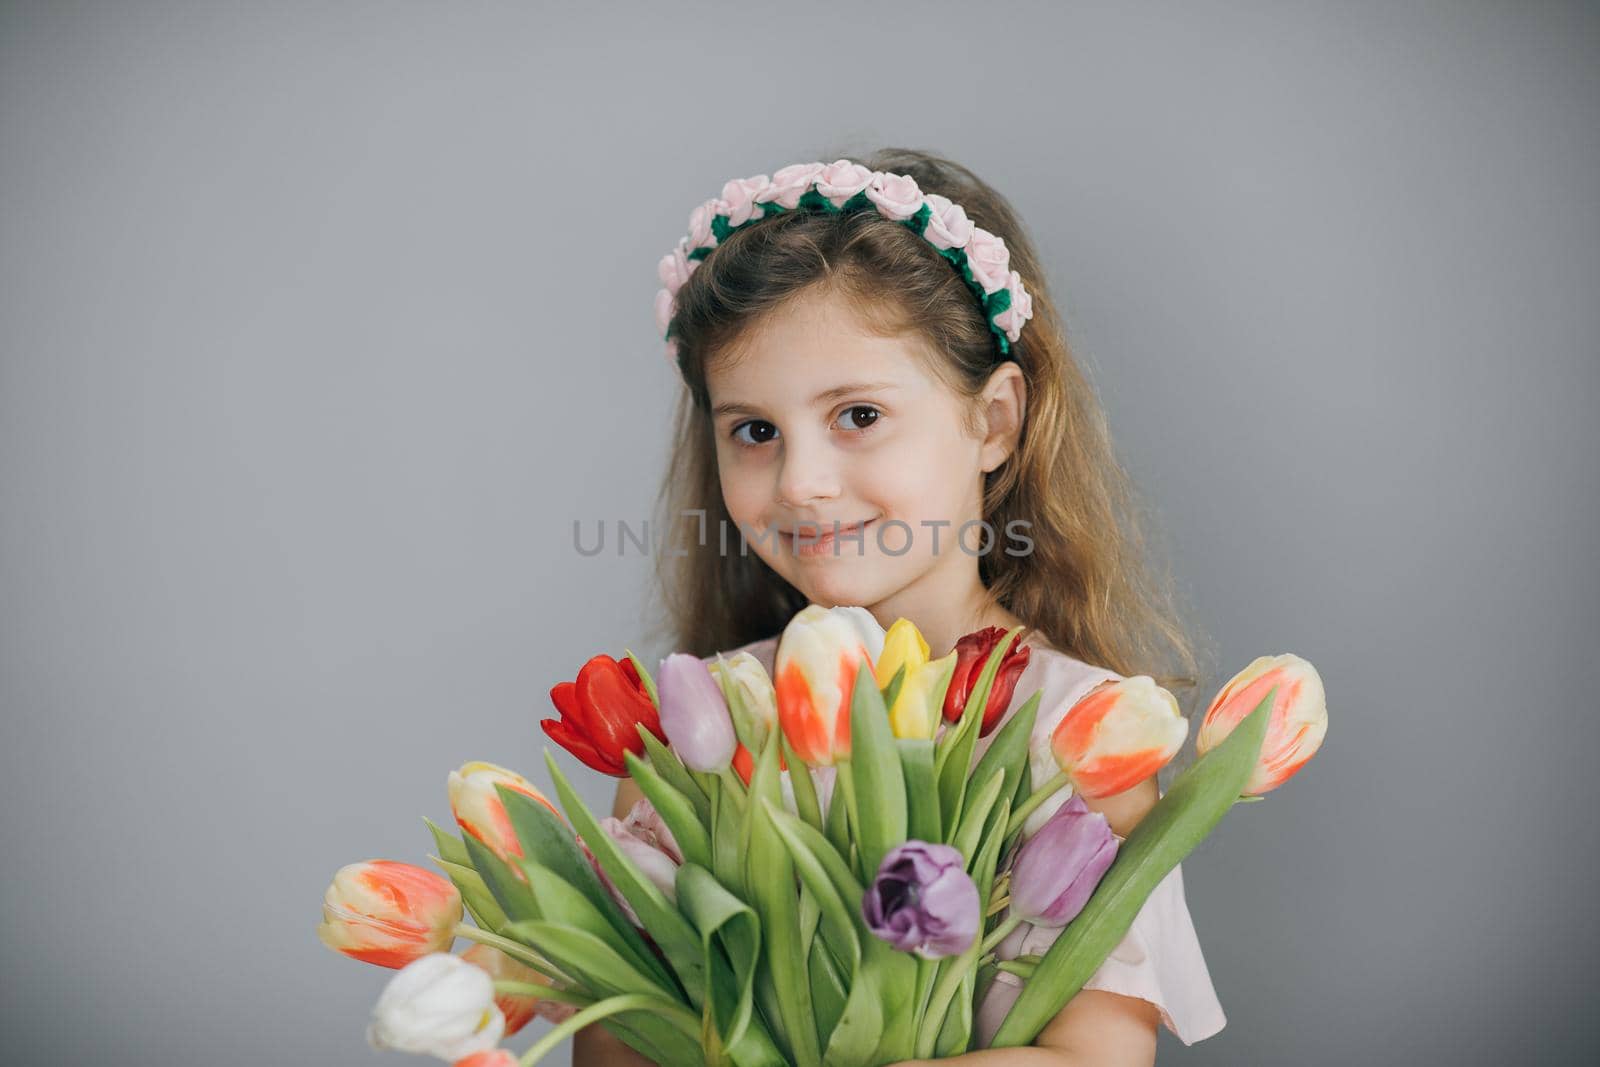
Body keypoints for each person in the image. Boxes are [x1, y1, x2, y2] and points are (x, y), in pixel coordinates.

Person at [575, 149, 1225, 1065]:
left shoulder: (1082, 738)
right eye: (755, 431)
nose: (801, 483)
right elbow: (617, 1051)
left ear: (993, 421)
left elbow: (1092, 1059)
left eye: (859, 416)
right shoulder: (692, 732)